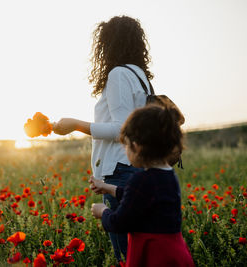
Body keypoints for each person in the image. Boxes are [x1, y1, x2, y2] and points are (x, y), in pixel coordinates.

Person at [53, 15, 153, 262]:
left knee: (125, 256)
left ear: (108, 45)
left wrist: (75, 125)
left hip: (120, 170)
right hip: (140, 169)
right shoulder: (141, 78)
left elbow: (121, 130)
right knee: (140, 252)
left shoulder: (119, 74)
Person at [89, 105, 194, 267]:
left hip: (153, 255)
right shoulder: (168, 175)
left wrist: (103, 212)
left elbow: (120, 222)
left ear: (136, 147)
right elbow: (142, 198)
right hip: (174, 252)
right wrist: (109, 188)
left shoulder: (141, 179)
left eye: (125, 145)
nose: (125, 150)